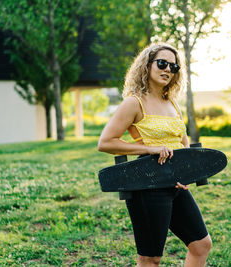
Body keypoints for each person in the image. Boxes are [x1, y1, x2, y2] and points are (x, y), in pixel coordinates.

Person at [97, 43, 211, 267]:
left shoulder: (173, 104)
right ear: (147, 66)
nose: (167, 69)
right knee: (150, 259)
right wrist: (150, 149)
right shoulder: (134, 102)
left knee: (201, 245)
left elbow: (183, 141)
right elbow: (106, 142)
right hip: (147, 183)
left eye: (174, 66)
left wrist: (186, 173)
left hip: (175, 184)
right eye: (162, 63)